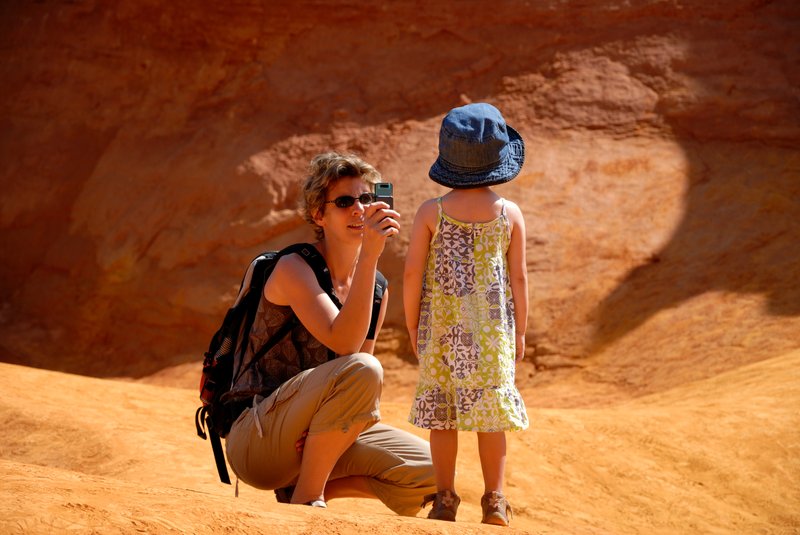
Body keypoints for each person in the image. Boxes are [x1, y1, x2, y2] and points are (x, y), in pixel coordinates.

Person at [224, 152, 436, 514]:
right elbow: (345, 344)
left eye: (367, 199)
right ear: (319, 215)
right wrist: (370, 255)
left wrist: (369, 267)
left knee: (431, 472)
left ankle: (302, 489)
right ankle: (309, 497)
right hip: (257, 439)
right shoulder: (293, 267)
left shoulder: (376, 288)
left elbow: (350, 373)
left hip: (310, 439)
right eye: (344, 201)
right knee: (366, 369)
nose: (359, 209)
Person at [403, 103, 529, 526]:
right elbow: (520, 280)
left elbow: (411, 275)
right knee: (491, 415)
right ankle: (495, 500)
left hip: (441, 331)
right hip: (494, 334)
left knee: (443, 415)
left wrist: (412, 325)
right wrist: (521, 333)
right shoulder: (509, 214)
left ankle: (444, 499)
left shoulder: (430, 212)